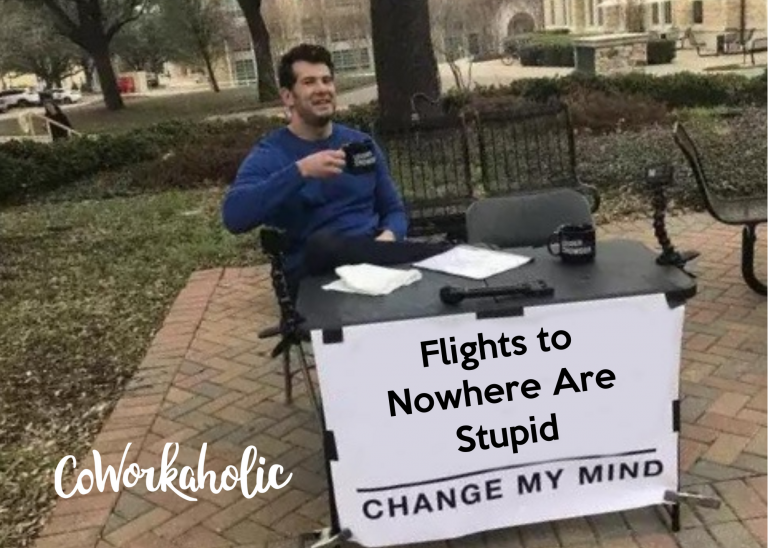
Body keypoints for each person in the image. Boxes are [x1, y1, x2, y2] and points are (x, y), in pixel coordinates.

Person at [221, 44, 450, 299]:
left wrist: (388, 238)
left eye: (326, 80)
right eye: (309, 82)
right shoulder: (271, 154)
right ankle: (442, 252)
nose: (322, 89)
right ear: (288, 96)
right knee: (324, 244)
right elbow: (235, 216)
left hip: (376, 266)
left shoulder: (361, 145)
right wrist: (301, 171)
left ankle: (448, 255)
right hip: (316, 277)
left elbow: (393, 210)